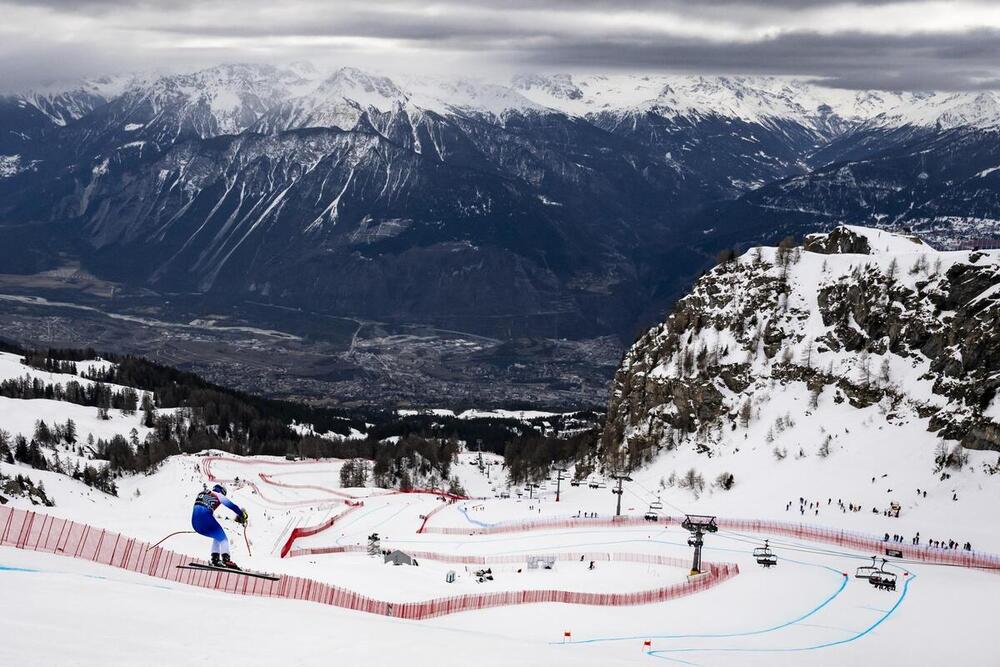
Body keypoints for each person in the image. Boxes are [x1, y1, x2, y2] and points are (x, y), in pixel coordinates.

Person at [192, 484, 248, 569]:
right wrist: (242, 514)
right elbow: (232, 506)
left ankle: (215, 559)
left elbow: (202, 507)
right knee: (223, 539)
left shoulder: (202, 493)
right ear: (222, 491)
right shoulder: (218, 495)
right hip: (205, 519)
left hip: (195, 523)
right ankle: (226, 560)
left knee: (217, 536)